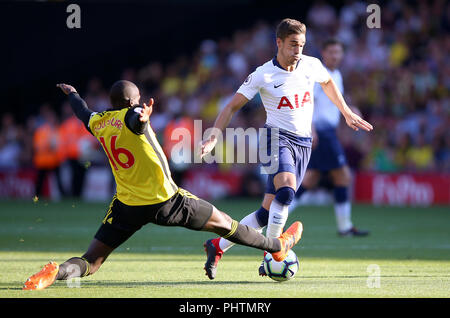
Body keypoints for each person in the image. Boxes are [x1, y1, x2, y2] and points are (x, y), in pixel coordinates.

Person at [22, 80, 302, 290]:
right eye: (138, 99)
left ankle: (57, 272)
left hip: (126, 206)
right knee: (228, 225)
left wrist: (72, 94)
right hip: (167, 202)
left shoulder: (99, 122)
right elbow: (134, 122)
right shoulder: (133, 118)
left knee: (91, 262)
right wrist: (141, 119)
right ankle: (277, 245)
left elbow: (82, 112)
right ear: (133, 101)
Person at [200, 19, 373, 280]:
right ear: (279, 42)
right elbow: (231, 106)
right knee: (287, 190)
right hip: (275, 138)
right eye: (293, 44)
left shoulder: (311, 65)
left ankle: (217, 246)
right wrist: (213, 136)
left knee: (266, 213)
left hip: (303, 144)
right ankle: (272, 253)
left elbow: (327, 83)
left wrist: (346, 112)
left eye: (302, 45)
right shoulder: (263, 74)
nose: (298, 50)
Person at [289, 39, 370, 236]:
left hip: (328, 131)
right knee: (343, 176)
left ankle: (274, 215)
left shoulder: (336, 75)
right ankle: (344, 227)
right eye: (331, 52)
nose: (335, 56)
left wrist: (350, 110)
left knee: (310, 179)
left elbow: (336, 99)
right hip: (320, 132)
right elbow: (308, 103)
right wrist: (312, 129)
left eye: (338, 52)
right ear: (323, 53)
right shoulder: (317, 75)